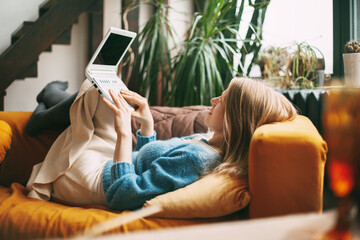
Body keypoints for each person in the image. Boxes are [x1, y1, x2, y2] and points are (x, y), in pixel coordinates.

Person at [26, 77, 297, 211]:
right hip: (112, 162)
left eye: (222, 100)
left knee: (90, 95)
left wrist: (123, 132)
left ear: (235, 120)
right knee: (101, 89)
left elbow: (123, 195)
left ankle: (45, 108)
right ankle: (51, 96)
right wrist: (147, 125)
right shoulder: (208, 140)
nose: (213, 100)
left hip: (96, 180)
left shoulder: (198, 160)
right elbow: (148, 160)